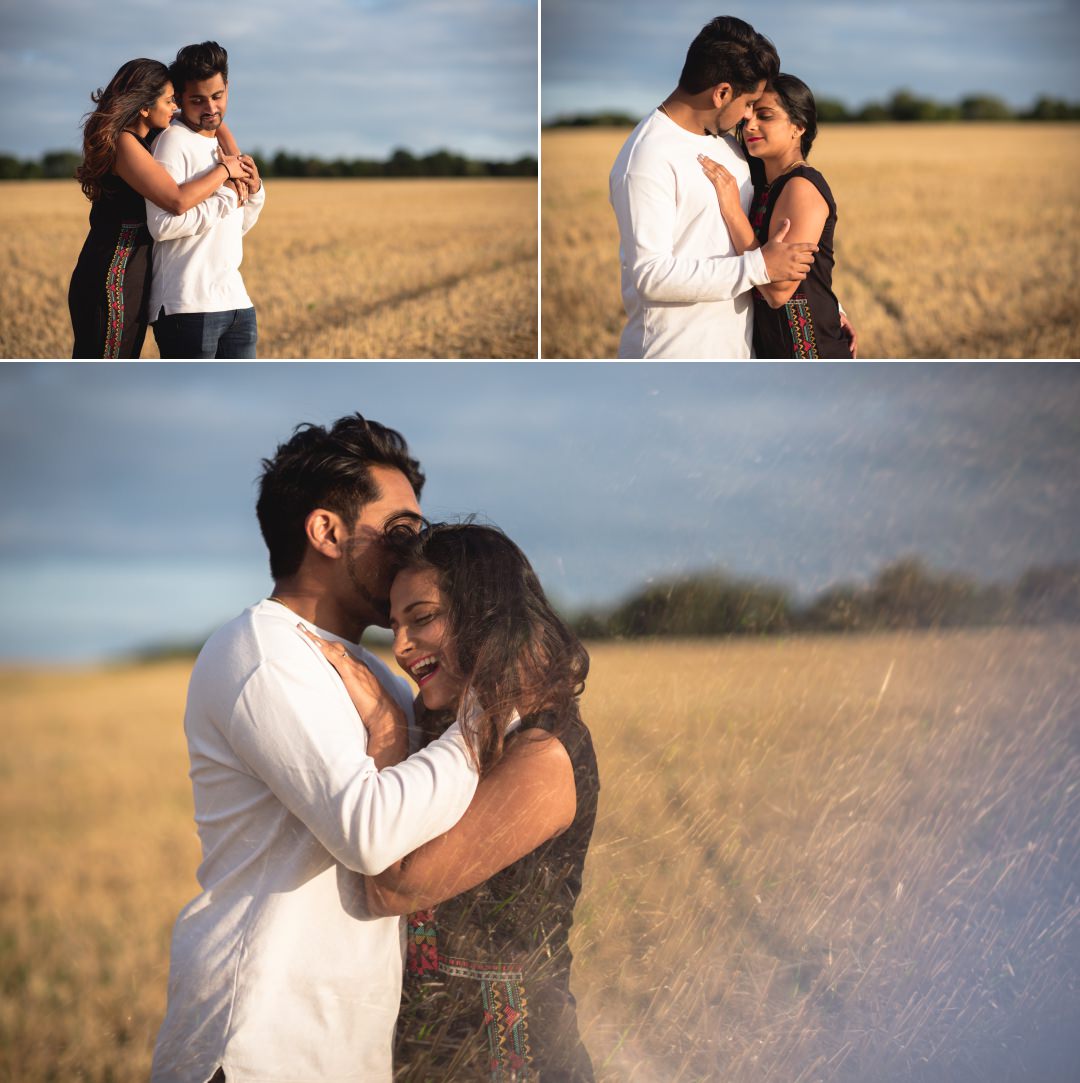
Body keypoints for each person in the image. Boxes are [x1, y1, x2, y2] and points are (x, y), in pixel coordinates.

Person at [150, 415, 480, 1083]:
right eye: (401, 533)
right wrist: (483, 724)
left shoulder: (383, 676)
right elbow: (369, 831)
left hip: (339, 1050)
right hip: (254, 1046)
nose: (418, 551)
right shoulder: (262, 652)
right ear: (327, 531)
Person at [306, 522, 599, 1081]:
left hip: (515, 1063)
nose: (402, 647)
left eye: (422, 619)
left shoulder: (545, 752)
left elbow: (395, 882)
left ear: (487, 614)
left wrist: (388, 731)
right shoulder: (455, 735)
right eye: (394, 627)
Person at [609, 15, 820, 359]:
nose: (749, 116)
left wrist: (823, 306)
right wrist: (758, 267)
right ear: (722, 93)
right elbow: (651, 276)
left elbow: (771, 238)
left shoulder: (729, 146)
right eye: (749, 103)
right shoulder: (646, 158)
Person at [67, 58, 250, 359]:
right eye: (169, 100)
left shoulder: (147, 136)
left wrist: (233, 153)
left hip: (134, 272)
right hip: (114, 276)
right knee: (107, 361)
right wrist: (225, 170)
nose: (175, 107)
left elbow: (214, 123)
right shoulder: (124, 143)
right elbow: (176, 200)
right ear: (144, 106)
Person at [698, 74, 856, 358]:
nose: (750, 124)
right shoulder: (764, 184)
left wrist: (733, 211)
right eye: (748, 115)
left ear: (798, 127)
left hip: (810, 351)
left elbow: (779, 290)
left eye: (765, 116)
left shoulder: (801, 187)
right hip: (773, 351)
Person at [147, 41, 266, 359]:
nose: (211, 108)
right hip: (187, 305)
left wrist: (253, 191)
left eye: (217, 96)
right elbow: (161, 227)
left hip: (237, 304)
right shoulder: (172, 142)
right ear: (180, 101)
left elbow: (234, 228)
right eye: (198, 100)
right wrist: (225, 195)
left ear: (227, 86)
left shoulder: (223, 147)